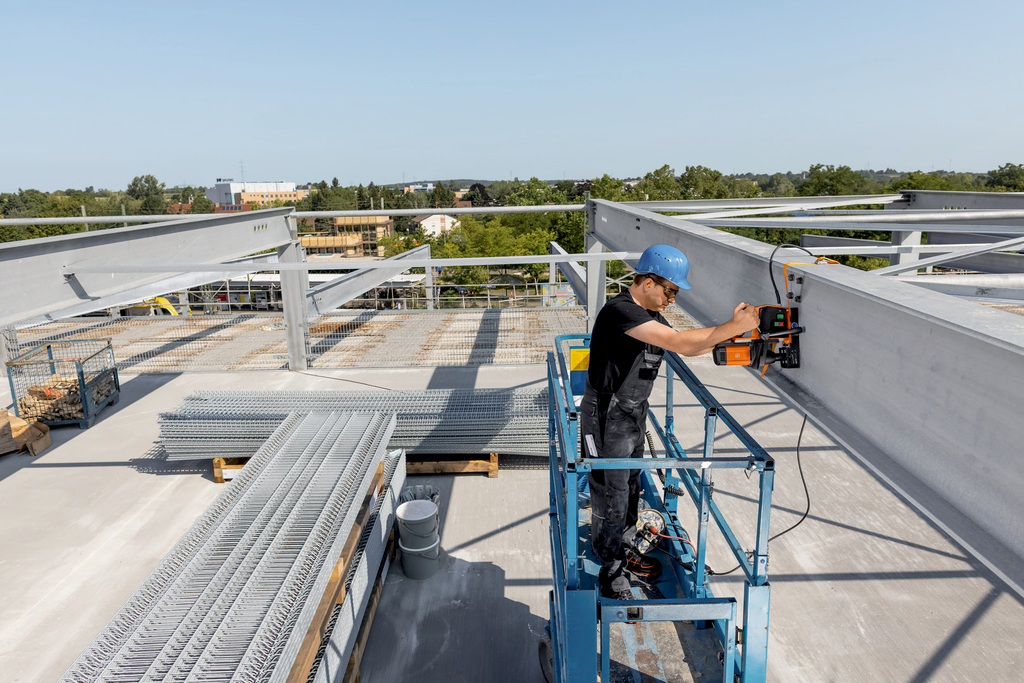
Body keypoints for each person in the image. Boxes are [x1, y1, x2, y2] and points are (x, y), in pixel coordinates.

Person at [582, 243, 760, 601]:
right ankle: (610, 568)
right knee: (610, 491)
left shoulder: (650, 317)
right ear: (648, 282)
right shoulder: (621, 311)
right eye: (670, 291)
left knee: (631, 484)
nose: (672, 300)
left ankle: (624, 545)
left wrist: (732, 334)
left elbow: (693, 345)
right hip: (605, 416)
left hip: (631, 413)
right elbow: (680, 343)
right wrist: (731, 325)